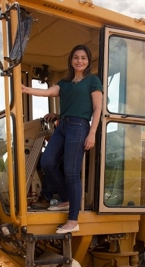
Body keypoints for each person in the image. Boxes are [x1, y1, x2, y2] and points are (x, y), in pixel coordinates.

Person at [22, 44, 102, 234]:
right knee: (48, 162)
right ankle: (65, 199)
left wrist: (92, 133)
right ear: (71, 60)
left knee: (71, 172)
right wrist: (26, 89)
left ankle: (73, 220)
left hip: (80, 126)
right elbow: (48, 92)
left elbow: (98, 108)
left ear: (88, 61)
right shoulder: (64, 83)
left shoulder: (92, 81)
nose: (79, 61)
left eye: (83, 57)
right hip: (63, 125)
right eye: (76, 57)